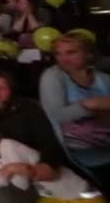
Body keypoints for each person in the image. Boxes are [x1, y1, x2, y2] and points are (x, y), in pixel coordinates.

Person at [0, 72, 65, 203]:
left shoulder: (30, 109)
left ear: (12, 88)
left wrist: (43, 168)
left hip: (25, 165)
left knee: (5, 197)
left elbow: (48, 143)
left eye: (2, 88)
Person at [39, 33, 110, 186]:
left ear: (89, 54)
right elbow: (56, 115)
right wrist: (91, 105)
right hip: (79, 157)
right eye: (58, 53)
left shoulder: (103, 79)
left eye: (71, 52)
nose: (63, 59)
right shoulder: (53, 77)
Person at [0, 131, 103, 202]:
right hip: (53, 195)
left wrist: (1, 173)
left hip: (75, 191)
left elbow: (22, 184)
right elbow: (1, 182)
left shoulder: (7, 146)